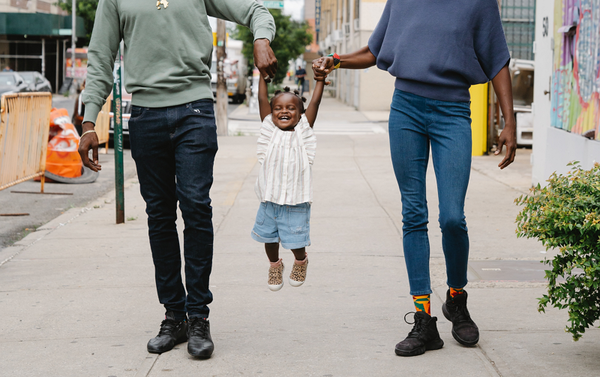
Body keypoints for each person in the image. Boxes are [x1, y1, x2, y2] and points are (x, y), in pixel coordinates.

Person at [313, 0, 517, 357]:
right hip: (405, 107)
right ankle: (424, 319)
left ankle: (456, 298)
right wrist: (337, 61)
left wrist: (509, 121)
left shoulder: (479, 3)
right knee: (413, 214)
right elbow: (375, 50)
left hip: (453, 111)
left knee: (452, 217)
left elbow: (497, 59)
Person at [77, 0, 277, 359]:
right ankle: (174, 315)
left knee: (197, 207)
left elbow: (256, 11)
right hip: (145, 116)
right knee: (159, 215)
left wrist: (261, 38)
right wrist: (89, 121)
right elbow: (101, 57)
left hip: (194, 111)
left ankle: (198, 315)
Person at [251, 69, 327, 291]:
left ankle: (301, 261)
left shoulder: (303, 133)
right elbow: (261, 99)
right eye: (278, 108)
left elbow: (314, 103)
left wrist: (320, 81)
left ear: (300, 114)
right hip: (269, 199)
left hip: (296, 201)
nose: (284, 111)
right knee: (269, 238)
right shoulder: (268, 130)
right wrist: (263, 77)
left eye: (291, 108)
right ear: (272, 113)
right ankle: (275, 265)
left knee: (296, 241)